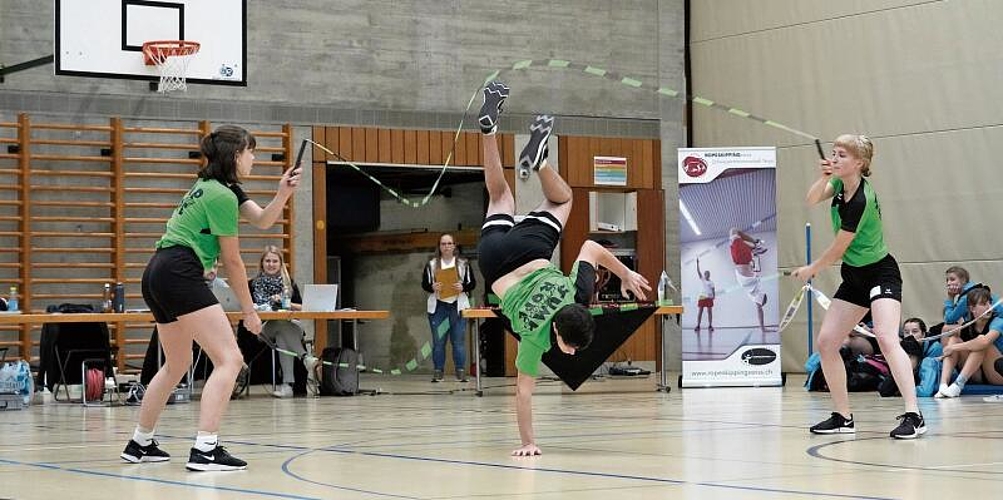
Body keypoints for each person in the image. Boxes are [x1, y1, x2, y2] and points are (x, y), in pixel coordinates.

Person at [475, 81, 650, 456]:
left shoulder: (578, 296)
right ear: (556, 328)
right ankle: (488, 132)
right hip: (494, 262)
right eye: (569, 347)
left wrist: (626, 274)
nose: (569, 354)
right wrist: (529, 443)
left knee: (564, 198)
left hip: (531, 249)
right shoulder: (535, 340)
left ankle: (540, 163)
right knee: (500, 195)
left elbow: (590, 246)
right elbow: (523, 394)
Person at [120, 125, 302, 470]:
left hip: (157, 271)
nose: (255, 158)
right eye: (251, 151)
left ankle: (140, 442)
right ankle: (206, 448)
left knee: (176, 364)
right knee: (230, 359)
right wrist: (249, 312)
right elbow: (232, 261)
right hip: (179, 272)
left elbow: (263, 221)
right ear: (235, 155)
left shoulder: (215, 188)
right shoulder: (221, 196)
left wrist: (283, 194)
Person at [793, 134, 926, 439]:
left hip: (881, 273)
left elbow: (839, 248)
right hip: (854, 277)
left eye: (842, 155)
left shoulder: (862, 200)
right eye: (834, 153)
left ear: (859, 163)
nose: (835, 158)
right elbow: (812, 199)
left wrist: (812, 269)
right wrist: (823, 176)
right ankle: (842, 416)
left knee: (886, 336)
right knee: (827, 342)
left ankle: (914, 414)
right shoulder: (840, 184)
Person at [251, 245, 319, 398]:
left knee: (282, 334)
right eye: (267, 261)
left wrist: (285, 302)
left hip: (290, 326)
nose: (271, 264)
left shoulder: (289, 284)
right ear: (262, 263)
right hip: (263, 329)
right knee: (281, 325)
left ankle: (287, 386)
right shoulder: (253, 284)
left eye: (275, 261)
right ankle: (305, 357)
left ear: (280, 264)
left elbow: (302, 308)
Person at [421, 233, 476, 382]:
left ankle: (460, 371)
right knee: (438, 342)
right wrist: (432, 286)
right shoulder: (431, 264)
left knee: (458, 341)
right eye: (443, 244)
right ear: (439, 247)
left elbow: (472, 283)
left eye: (449, 243)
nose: (446, 246)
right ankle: (438, 371)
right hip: (438, 307)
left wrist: (462, 286)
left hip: (457, 306)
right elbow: (425, 284)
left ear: (454, 246)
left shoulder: (463, 264)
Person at [936, 287, 1003, 397]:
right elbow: (946, 329)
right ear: (972, 308)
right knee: (954, 339)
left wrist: (953, 348)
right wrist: (949, 348)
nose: (989, 307)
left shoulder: (998, 321)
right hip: (976, 374)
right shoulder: (968, 325)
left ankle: (958, 384)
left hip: (997, 373)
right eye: (983, 304)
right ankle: (943, 386)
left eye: (990, 303)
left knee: (981, 342)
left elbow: (984, 342)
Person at [729, 228, 768, 331]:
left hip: (740, 261)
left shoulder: (755, 294)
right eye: (761, 301)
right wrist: (763, 328)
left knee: (734, 232)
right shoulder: (757, 293)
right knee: (734, 232)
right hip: (741, 261)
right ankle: (755, 247)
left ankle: (755, 245)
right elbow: (760, 311)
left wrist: (763, 328)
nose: (759, 303)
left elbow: (760, 310)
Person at [695, 258, 715, 331]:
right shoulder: (702, 279)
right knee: (700, 312)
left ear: (709, 275)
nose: (707, 275)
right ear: (704, 275)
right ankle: (698, 326)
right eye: (706, 274)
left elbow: (713, 290)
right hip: (702, 297)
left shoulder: (711, 282)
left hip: (709, 298)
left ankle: (710, 326)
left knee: (709, 312)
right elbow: (698, 271)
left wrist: (714, 296)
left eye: (708, 274)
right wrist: (697, 263)